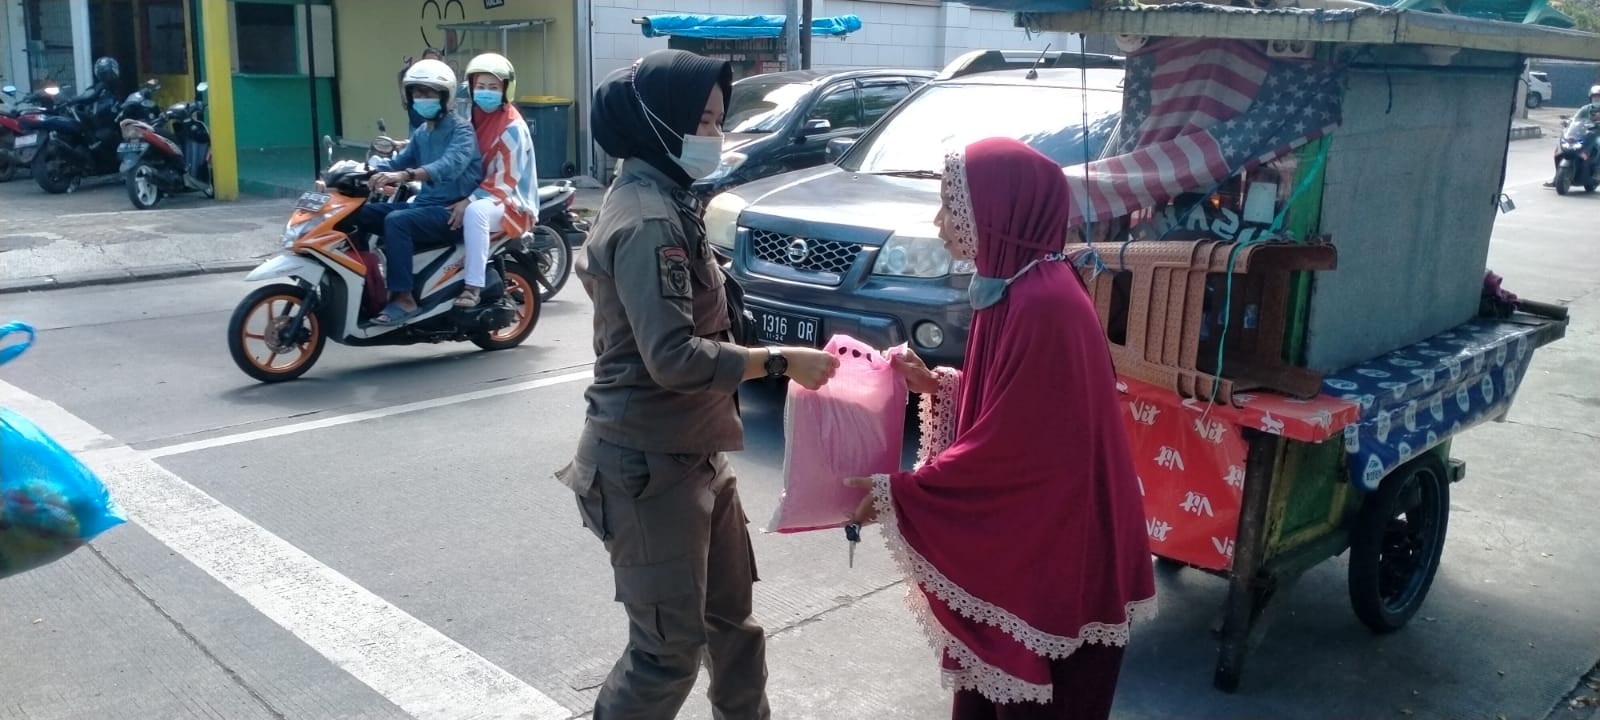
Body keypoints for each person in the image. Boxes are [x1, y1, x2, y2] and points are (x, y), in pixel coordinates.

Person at [556, 48, 840, 720]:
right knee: (667, 653)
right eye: (703, 122)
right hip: (647, 466)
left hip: (695, 453)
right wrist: (779, 360)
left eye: (716, 121)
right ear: (660, 124)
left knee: (733, 630)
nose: (713, 136)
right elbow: (674, 358)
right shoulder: (649, 219)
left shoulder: (669, 200)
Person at [844, 137, 1158, 720]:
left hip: (1059, 548)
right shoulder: (1015, 285)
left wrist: (901, 496)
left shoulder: (1044, 303)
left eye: (952, 206)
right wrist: (942, 387)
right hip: (1047, 535)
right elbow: (1019, 409)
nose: (941, 224)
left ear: (999, 211)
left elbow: (1015, 452)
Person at [363, 58, 482, 325]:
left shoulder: (462, 131)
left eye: (428, 93)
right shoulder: (422, 132)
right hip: (425, 206)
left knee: (397, 222)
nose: (421, 99)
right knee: (363, 214)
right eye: (417, 93)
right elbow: (397, 162)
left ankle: (404, 298)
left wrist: (404, 175)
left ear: (445, 96)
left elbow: (448, 165)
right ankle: (367, 285)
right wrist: (361, 170)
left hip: (451, 212)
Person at [447, 52, 537, 308]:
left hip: (510, 201)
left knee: (475, 214)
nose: (486, 92)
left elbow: (505, 181)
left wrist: (468, 200)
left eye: (493, 87)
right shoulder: (471, 115)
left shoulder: (513, 128)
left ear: (506, 90)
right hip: (477, 189)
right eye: (481, 87)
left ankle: (472, 287)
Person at [1544, 85, 1600, 188]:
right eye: (1595, 97)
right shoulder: (1586, 108)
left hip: (1597, 135)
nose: (1597, 100)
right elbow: (1575, 119)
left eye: (1599, 97)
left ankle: (1597, 171)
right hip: (1586, 134)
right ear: (1591, 98)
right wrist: (1568, 122)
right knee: (1560, 148)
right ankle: (1556, 177)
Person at [401, 48, 444, 130]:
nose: (429, 64)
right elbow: (406, 100)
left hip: (437, 128)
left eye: (433, 62)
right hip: (415, 127)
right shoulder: (413, 77)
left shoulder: (444, 81)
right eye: (427, 61)